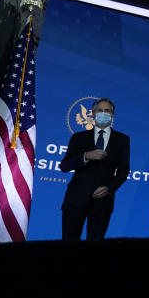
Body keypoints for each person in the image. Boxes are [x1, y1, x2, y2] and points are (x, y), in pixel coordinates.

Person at [59, 98, 130, 240]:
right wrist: (86, 156)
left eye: (107, 111)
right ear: (92, 113)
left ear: (112, 115)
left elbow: (124, 170)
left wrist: (109, 188)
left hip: (103, 201)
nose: (103, 113)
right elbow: (65, 166)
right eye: (100, 110)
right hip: (76, 198)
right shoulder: (78, 137)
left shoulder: (122, 139)